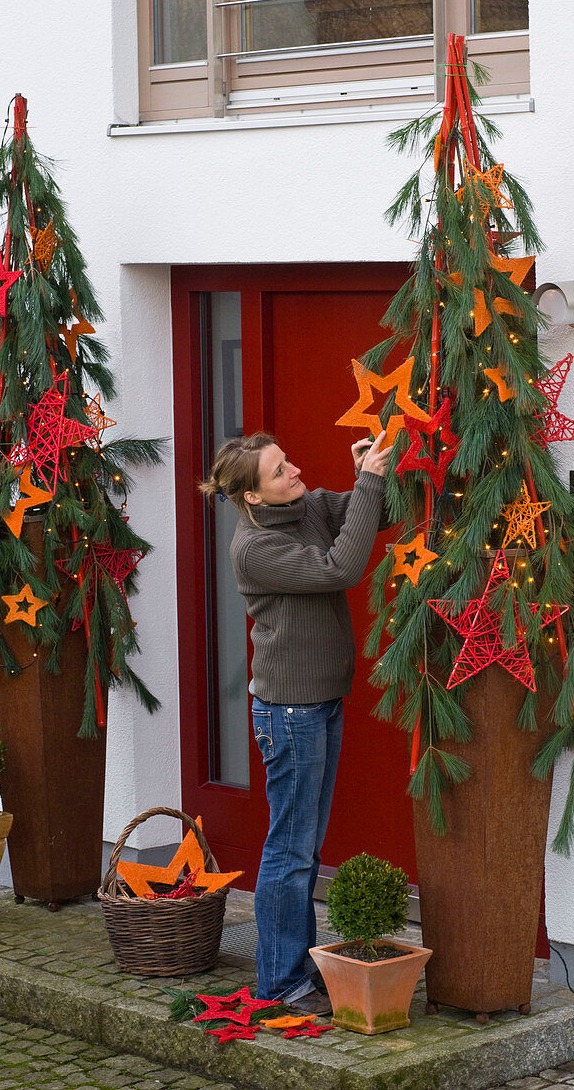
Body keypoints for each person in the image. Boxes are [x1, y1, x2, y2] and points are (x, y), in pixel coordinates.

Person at [200, 429, 391, 1014]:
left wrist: (369, 474)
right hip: (290, 712)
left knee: (302, 843)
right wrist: (368, 483)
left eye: (287, 460)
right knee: (291, 847)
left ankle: (295, 971)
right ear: (253, 496)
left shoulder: (301, 506)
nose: (295, 471)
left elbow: (369, 515)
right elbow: (342, 568)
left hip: (321, 701)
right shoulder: (254, 548)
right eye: (280, 470)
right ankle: (282, 982)